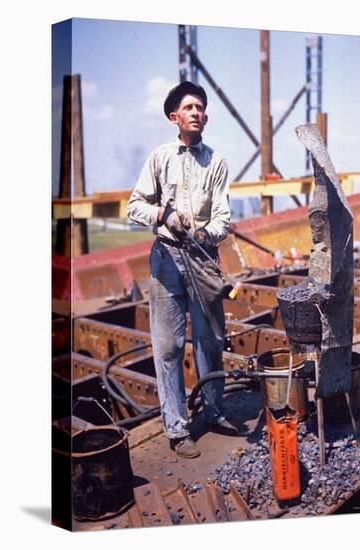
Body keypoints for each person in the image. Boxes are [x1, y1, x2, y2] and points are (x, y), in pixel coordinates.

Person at [127, 81, 236, 459]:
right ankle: (177, 428)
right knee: (169, 347)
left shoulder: (217, 163)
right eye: (189, 107)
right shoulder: (159, 158)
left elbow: (224, 216)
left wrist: (206, 232)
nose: (197, 113)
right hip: (167, 260)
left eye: (201, 108)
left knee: (209, 342)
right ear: (174, 117)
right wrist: (164, 214)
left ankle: (215, 411)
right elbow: (134, 207)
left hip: (204, 262)